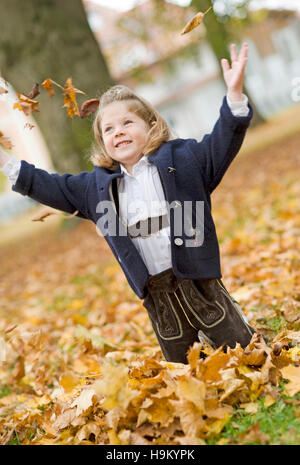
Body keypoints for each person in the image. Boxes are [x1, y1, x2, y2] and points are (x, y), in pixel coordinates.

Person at [0, 42, 256, 364]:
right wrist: (5, 161)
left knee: (243, 353)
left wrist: (233, 99)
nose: (118, 132)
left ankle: (239, 335)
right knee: (182, 370)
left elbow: (222, 141)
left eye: (127, 123)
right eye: (108, 128)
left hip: (200, 280)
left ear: (150, 126)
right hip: (157, 295)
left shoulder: (184, 159)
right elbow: (49, 186)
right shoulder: (96, 189)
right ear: (102, 141)